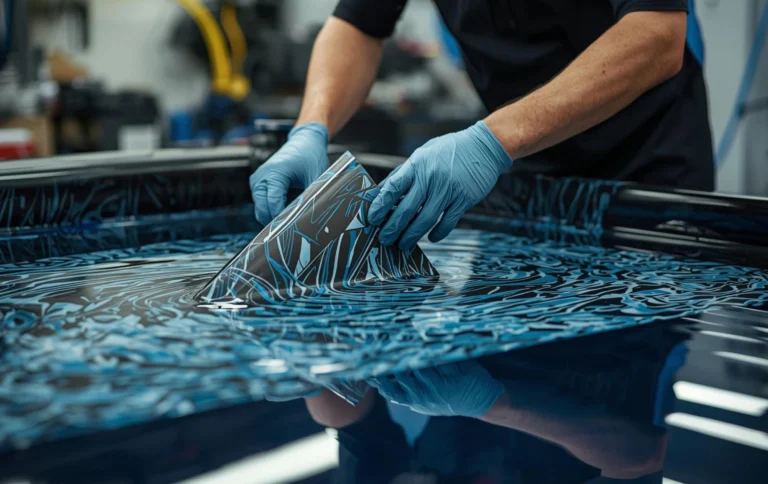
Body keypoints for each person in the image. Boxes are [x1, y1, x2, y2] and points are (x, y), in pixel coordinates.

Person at [250, 0, 714, 251]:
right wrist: (311, 128)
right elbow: (358, 25)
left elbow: (656, 35)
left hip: (648, 168)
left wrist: (491, 142)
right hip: (526, 165)